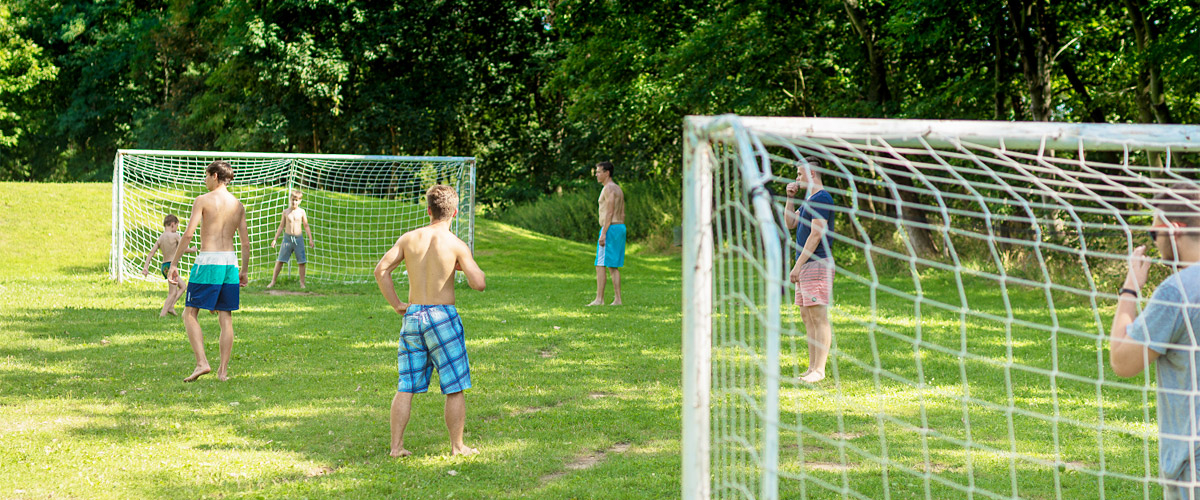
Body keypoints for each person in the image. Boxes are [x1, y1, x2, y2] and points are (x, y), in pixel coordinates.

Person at [375, 184, 485, 458]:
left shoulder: (409, 238)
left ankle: (396, 447)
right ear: (455, 213)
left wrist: (398, 304)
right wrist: (461, 264)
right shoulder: (456, 245)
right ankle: (457, 447)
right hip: (442, 316)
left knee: (406, 385)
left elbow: (381, 270)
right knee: (454, 386)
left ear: (429, 211)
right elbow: (479, 283)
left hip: (413, 315)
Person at [1109, 183, 1200, 500]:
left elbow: (1122, 361)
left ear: (1174, 230)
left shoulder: (1178, 292)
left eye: (1153, 235)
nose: (1153, 242)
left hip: (1193, 467)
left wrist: (1131, 287)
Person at [167, 160, 249, 383]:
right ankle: (223, 372)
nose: (204, 180)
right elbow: (245, 243)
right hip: (230, 263)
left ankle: (202, 362)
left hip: (209, 261)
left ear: (214, 176)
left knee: (189, 313)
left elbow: (188, 235)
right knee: (226, 317)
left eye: (205, 175)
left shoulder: (203, 200)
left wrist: (173, 264)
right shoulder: (237, 205)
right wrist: (244, 270)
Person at [785, 156, 836, 384]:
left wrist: (797, 265)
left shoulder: (822, 198)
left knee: (818, 316)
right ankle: (811, 367)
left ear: (811, 173)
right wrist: (789, 199)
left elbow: (817, 234)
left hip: (817, 263)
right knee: (807, 316)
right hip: (805, 264)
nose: (797, 178)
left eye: (799, 174)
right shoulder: (809, 200)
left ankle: (820, 370)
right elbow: (790, 223)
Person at [141, 214, 197, 317]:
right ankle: (163, 314)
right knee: (172, 292)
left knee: (183, 286)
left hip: (164, 267)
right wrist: (192, 250)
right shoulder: (175, 236)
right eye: (176, 226)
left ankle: (171, 306)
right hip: (172, 267)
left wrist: (146, 267)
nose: (176, 229)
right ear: (172, 224)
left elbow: (151, 253)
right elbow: (184, 248)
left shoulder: (161, 237)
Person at [587, 160, 626, 306]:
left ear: (607, 173)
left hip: (610, 228)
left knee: (600, 264)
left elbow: (609, 212)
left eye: (598, 172)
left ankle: (599, 299)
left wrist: (604, 232)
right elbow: (622, 213)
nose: (596, 174)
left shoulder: (608, 188)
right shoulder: (617, 188)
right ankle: (617, 299)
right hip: (619, 227)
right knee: (612, 266)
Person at [267, 190, 315, 288]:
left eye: (296, 200)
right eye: (293, 200)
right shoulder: (286, 212)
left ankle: (302, 283)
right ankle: (273, 281)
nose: (294, 202)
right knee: (280, 260)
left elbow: (306, 226)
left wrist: (310, 239)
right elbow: (281, 226)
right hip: (287, 239)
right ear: (290, 199)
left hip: (298, 239)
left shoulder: (302, 212)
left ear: (300, 201)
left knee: (301, 262)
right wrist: (275, 239)